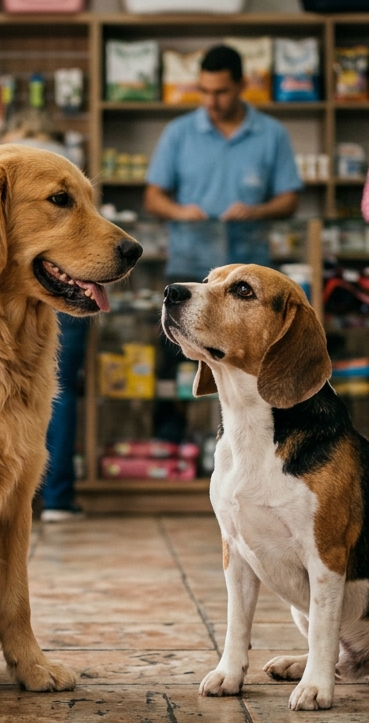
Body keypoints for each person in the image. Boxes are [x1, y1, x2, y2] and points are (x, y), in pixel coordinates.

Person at [144, 44, 303, 442]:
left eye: (221, 92)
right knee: (175, 364)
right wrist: (181, 213)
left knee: (251, 365)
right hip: (190, 263)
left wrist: (258, 211)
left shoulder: (270, 133)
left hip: (250, 276)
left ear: (242, 86)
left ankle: (265, 444)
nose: (212, 101)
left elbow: (289, 198)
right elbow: (153, 197)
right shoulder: (179, 132)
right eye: (204, 91)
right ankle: (172, 446)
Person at [3, 111, 90, 523]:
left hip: (31, 288)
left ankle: (9, 502)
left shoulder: (13, 168)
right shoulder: (66, 167)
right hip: (69, 286)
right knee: (60, 392)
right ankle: (57, 497)